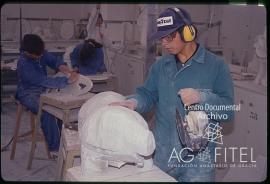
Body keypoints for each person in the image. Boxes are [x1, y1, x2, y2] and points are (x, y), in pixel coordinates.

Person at [110, 7, 234, 182]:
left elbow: (228, 110)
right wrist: (134, 102)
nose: (164, 43)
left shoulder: (215, 66)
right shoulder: (161, 67)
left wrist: (202, 98)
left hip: (198, 163)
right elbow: (147, 94)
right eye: (162, 38)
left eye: (169, 36)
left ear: (188, 32)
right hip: (164, 156)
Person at [16, 34, 78, 154]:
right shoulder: (24, 64)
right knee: (47, 111)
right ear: (28, 53)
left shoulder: (39, 52)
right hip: (28, 92)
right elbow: (42, 80)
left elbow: (53, 60)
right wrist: (66, 81)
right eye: (37, 55)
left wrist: (63, 67)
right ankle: (55, 149)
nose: (40, 56)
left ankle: (64, 141)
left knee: (61, 108)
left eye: (41, 53)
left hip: (43, 89)